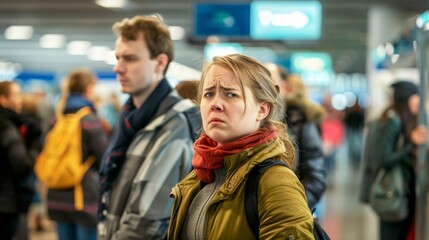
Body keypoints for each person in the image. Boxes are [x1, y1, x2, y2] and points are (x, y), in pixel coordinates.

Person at [168, 54, 314, 239]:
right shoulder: (199, 175)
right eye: (209, 94)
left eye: (231, 94)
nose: (215, 104)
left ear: (262, 110)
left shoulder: (275, 183)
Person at [98, 14, 199, 240]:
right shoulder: (130, 120)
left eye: (130, 59)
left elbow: (146, 224)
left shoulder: (176, 123)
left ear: (160, 62)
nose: (118, 68)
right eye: (118, 58)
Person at [45, 69, 109, 240]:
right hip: (83, 197)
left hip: (56, 193)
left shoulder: (56, 120)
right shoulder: (90, 121)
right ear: (89, 88)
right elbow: (105, 158)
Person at [359, 80, 427, 240]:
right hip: (392, 192)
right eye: (416, 96)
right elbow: (383, 158)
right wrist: (411, 145)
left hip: (403, 191)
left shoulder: (403, 119)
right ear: (408, 98)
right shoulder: (391, 120)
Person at [267, 63, 327, 212]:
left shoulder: (301, 119)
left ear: (285, 86)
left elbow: (315, 173)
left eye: (269, 80)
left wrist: (295, 209)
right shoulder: (252, 120)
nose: (262, 86)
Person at [0, 81, 36, 240]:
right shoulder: (7, 127)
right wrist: (34, 148)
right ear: (3, 99)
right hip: (6, 202)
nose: (20, 99)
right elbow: (22, 165)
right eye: (16, 95)